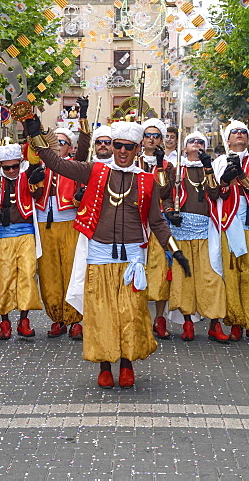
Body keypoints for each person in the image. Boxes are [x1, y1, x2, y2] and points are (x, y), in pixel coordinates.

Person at [25, 117, 188, 389]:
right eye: (118, 146)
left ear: (137, 149)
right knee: (101, 313)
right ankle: (104, 365)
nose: (122, 152)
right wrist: (34, 135)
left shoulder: (147, 181)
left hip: (132, 257)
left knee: (130, 313)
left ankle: (126, 364)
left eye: (128, 147)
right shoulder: (95, 171)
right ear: (112, 147)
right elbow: (57, 164)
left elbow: (157, 222)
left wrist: (175, 250)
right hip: (98, 255)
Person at [214, 120, 249, 343]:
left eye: (243, 132)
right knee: (231, 275)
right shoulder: (219, 162)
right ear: (227, 140)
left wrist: (241, 175)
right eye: (234, 132)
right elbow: (214, 193)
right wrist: (225, 179)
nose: (239, 135)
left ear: (248, 138)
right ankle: (235, 322)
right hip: (228, 224)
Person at [169, 132, 228, 341]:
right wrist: (170, 211)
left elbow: (214, 193)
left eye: (200, 142)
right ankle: (187, 323)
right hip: (181, 231)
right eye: (192, 142)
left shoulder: (209, 169)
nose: (196, 145)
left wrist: (208, 168)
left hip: (206, 231)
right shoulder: (177, 170)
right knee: (184, 279)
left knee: (211, 277)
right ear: (184, 149)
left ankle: (214, 324)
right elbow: (166, 195)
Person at [32, 124, 85, 340]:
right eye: (54, 143)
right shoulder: (41, 168)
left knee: (71, 271)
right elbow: (32, 196)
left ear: (70, 148)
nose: (57, 147)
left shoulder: (74, 167)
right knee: (49, 273)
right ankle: (57, 317)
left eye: (61, 143)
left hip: (69, 224)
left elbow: (80, 197)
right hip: (45, 225)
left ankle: (75, 319)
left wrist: (78, 197)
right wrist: (33, 184)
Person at [0, 143, 43, 340]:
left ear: (20, 163)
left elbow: (37, 194)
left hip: (25, 232)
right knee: (3, 278)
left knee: (27, 274)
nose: (11, 171)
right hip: (2, 234)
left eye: (14, 166)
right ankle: (5, 321)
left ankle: (24, 320)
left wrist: (36, 181)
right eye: (6, 167)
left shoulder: (27, 178)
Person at [139, 118, 177, 340]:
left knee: (161, 271)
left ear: (161, 140)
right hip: (135, 223)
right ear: (142, 139)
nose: (151, 139)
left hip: (158, 222)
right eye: (148, 135)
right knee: (138, 270)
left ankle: (159, 318)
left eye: (156, 136)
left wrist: (160, 166)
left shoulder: (168, 166)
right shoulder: (133, 161)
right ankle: (140, 316)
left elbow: (165, 193)